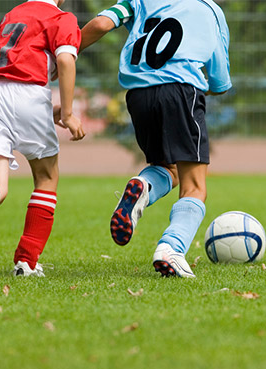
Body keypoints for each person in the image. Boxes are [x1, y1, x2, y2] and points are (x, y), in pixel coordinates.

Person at [80, 0, 232, 277]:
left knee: (167, 168)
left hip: (138, 95)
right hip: (180, 89)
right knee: (195, 186)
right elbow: (220, 82)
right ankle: (171, 248)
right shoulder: (210, 9)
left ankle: (143, 184)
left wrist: (65, 52)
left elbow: (102, 23)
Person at [0, 0, 85, 276]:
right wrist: (69, 112)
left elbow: (12, 66)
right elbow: (64, 60)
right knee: (47, 177)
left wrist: (46, 111)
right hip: (29, 92)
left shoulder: (13, 14)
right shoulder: (62, 18)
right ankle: (26, 262)